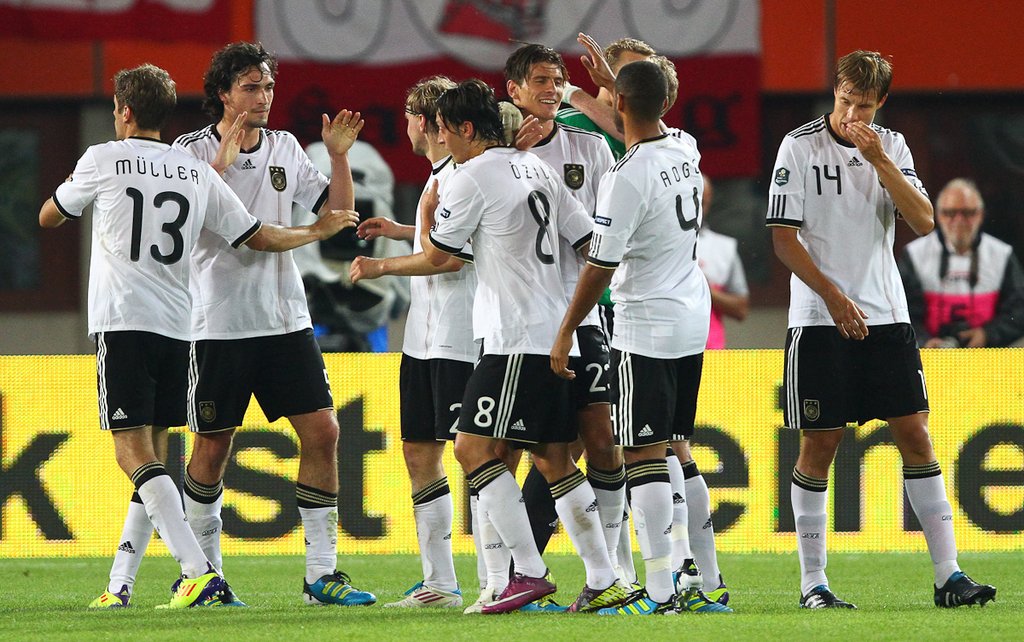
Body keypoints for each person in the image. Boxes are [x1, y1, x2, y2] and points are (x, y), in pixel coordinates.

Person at [45, 64, 356, 609]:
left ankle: (201, 572)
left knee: (136, 453)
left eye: (268, 86)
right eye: (252, 86)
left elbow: (51, 216)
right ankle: (122, 585)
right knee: (180, 451)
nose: (264, 96)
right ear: (218, 96)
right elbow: (252, 234)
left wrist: (326, 184)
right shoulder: (192, 162)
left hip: (132, 318)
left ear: (124, 111)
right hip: (194, 324)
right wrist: (228, 178)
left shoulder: (104, 158)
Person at [767, 50, 996, 609]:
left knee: (915, 434)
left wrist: (879, 161)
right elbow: (783, 239)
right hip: (820, 319)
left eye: (864, 106)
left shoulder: (892, 146)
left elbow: (923, 222)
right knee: (820, 443)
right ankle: (814, 583)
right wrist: (833, 296)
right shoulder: (798, 146)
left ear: (881, 103)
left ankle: (949, 576)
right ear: (835, 90)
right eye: (846, 101)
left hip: (887, 317)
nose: (852, 115)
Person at [421, 78, 626, 614]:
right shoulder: (537, 167)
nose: (442, 140)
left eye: (444, 129)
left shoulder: (470, 176)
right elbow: (592, 243)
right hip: (556, 333)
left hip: (514, 338)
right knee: (554, 458)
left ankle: (529, 572)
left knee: (471, 450)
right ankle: (605, 577)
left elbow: (440, 256)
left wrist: (390, 255)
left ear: (466, 128)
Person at [552, 59, 732, 616]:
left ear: (621, 103)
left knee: (642, 454)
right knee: (677, 445)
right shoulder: (685, 147)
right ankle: (705, 579)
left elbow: (599, 266)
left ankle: (658, 589)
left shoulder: (624, 176)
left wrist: (566, 331)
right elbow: (637, 118)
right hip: (691, 318)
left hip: (646, 324)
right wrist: (611, 85)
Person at [503, 43, 626, 597]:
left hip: (587, 315)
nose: (551, 89)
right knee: (514, 449)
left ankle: (617, 572)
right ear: (514, 90)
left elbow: (605, 233)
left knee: (599, 438)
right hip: (518, 320)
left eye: (557, 80)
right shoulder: (493, 152)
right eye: (540, 80)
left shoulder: (589, 146)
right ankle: (507, 574)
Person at [346, 75, 471, 610]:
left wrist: (383, 266)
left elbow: (453, 258)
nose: (407, 128)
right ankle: (439, 582)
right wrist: (401, 231)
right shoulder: (437, 177)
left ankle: (507, 574)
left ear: (424, 122)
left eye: (409, 118)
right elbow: (440, 238)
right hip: (424, 338)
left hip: (460, 337)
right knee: (420, 450)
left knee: (481, 457)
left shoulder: (459, 177)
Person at [899, 177, 1024, 348]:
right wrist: (925, 341)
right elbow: (902, 310)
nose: (959, 221)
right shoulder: (914, 254)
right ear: (938, 215)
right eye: (950, 213)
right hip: (930, 351)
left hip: (989, 351)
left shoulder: (1001, 254)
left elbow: (1019, 309)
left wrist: (988, 334)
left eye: (967, 213)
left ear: (981, 214)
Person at [697, 174, 749, 349]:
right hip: (666, 348)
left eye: (702, 202)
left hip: (711, 351)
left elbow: (741, 308)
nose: (696, 208)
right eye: (692, 200)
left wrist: (704, 289)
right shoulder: (660, 241)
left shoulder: (723, 248)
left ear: (710, 200)